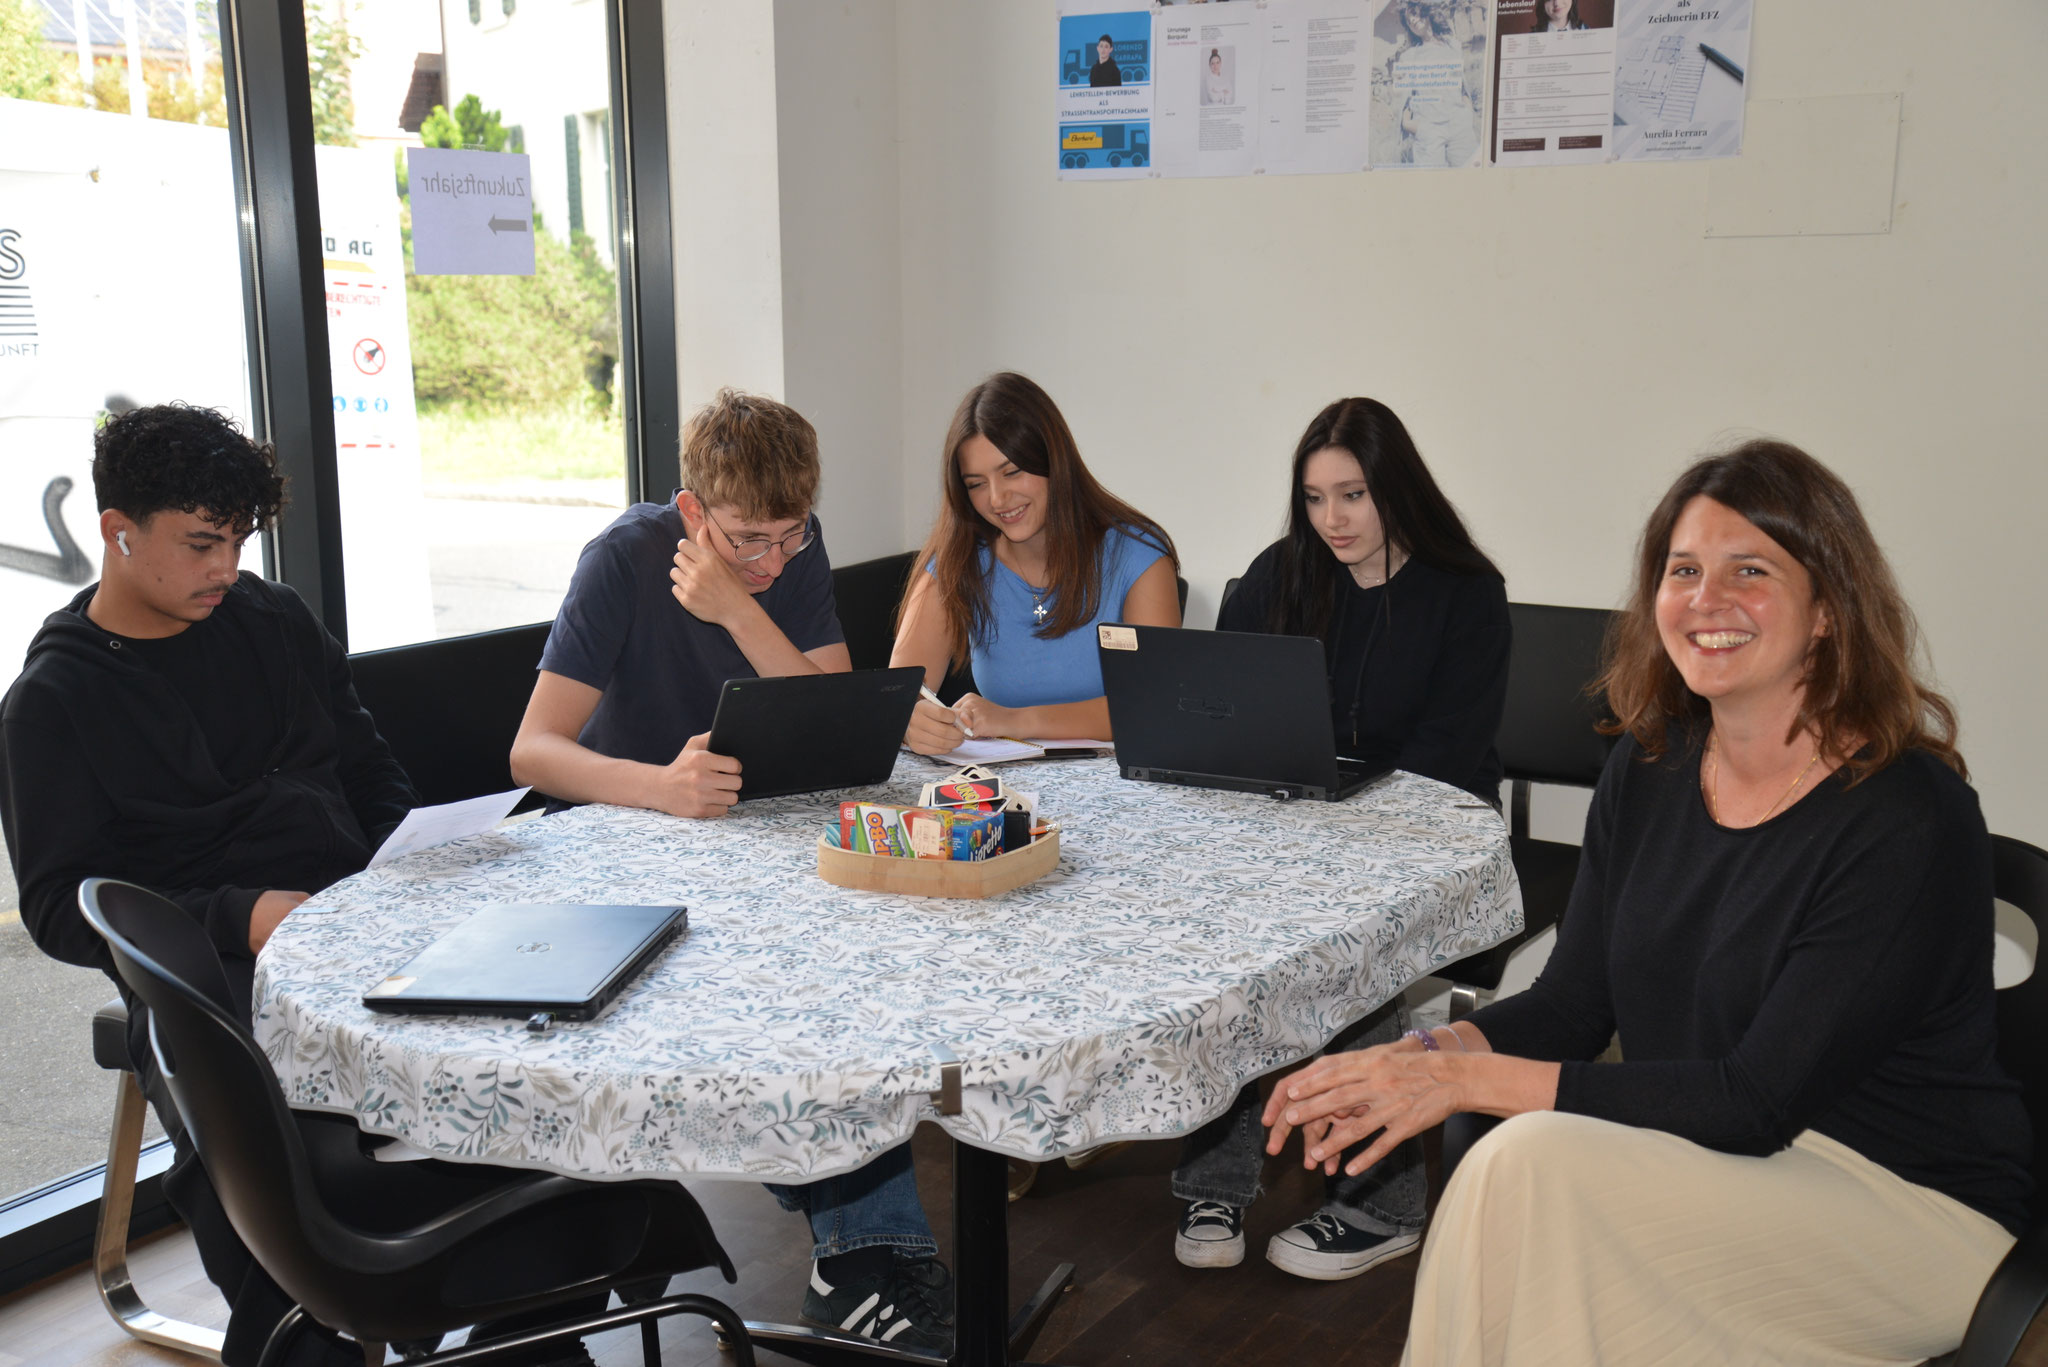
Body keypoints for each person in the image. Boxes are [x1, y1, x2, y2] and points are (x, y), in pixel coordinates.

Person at [1263, 439, 2031, 1366]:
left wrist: (1465, 1081)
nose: (1707, 600)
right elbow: (1574, 1006)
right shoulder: (1652, 763)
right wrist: (1421, 1055)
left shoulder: (1905, 815)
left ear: (1828, 608)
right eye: (1683, 570)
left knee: (1527, 1162)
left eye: (1751, 570)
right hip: (1711, 1161)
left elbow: (1752, 1098)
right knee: (1529, 1198)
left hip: (1903, 1207)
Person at [0, 404, 593, 1367]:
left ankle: (520, 1320)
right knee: (291, 1211)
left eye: (236, 540)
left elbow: (365, 763)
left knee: (546, 1068)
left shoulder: (271, 621)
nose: (225, 568)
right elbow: (59, 904)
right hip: (210, 976)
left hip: (361, 914)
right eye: (201, 543)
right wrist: (241, 916)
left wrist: (404, 852)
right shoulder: (55, 701)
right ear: (117, 531)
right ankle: (329, 1310)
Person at [508, 388, 953, 1354]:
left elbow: (840, 712)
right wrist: (658, 786)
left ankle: (864, 1254)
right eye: (748, 539)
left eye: (790, 536)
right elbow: (534, 753)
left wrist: (740, 606)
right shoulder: (623, 560)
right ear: (692, 513)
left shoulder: (788, 551)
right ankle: (869, 1254)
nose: (773, 559)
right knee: (786, 996)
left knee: (847, 980)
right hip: (629, 845)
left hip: (753, 832)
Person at [1171, 396, 1509, 1280]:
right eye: (1316, 499)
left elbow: (1448, 757)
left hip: (1422, 831)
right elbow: (1218, 702)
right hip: (1292, 821)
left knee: (1347, 945)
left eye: (1353, 495)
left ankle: (1381, 1203)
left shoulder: (1465, 594)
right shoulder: (1282, 573)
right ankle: (1217, 1174)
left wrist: (1337, 831)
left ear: (1395, 489)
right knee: (1225, 951)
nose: (1333, 520)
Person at [891, 371, 1180, 754]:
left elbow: (1153, 705)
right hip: (1005, 794)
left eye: (1012, 472)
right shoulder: (956, 562)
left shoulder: (1139, 558)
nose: (997, 498)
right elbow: (900, 696)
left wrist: (1014, 719)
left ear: (1054, 461)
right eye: (976, 483)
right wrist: (913, 722)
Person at [1389, 0, 1478, 167]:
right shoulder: (1408, 57)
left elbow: (1462, 87)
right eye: (1408, 20)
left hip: (1459, 126)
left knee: (1469, 182)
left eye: (1414, 14)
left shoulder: (1453, 45)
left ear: (1425, 10)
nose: (1413, 21)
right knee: (1430, 186)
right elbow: (1402, 102)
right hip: (1429, 132)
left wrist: (1467, 113)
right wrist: (1411, 125)